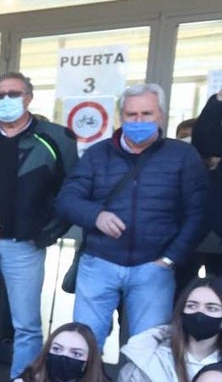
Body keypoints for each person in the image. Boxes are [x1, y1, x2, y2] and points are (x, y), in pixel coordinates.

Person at [56, 83, 209, 349]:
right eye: (131, 115)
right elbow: (67, 200)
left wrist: (170, 258)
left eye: (146, 114)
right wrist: (96, 216)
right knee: (84, 346)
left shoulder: (183, 156)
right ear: (121, 117)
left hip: (154, 267)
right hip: (100, 263)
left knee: (146, 349)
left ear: (160, 115)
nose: (139, 121)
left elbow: (199, 213)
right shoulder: (98, 154)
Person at [0, 72, 78, 377]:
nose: (6, 100)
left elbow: (71, 191)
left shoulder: (55, 138)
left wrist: (48, 232)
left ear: (28, 97)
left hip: (24, 245)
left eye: (13, 94)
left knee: (26, 325)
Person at [119, 277, 222, 382]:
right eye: (192, 306)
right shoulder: (149, 359)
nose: (200, 313)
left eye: (211, 308)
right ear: (182, 312)